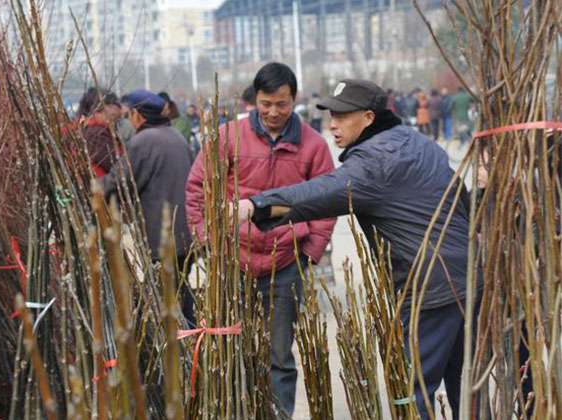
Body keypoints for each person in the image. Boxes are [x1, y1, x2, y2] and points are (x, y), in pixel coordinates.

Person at [235, 79, 474, 420]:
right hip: (468, 279)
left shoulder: (376, 161)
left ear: (367, 117)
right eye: (331, 114)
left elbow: (321, 193)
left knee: (415, 391)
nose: (332, 123)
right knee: (466, 383)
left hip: (429, 287)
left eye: (342, 115)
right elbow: (460, 200)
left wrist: (256, 206)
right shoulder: (416, 142)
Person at [185, 62, 336, 417]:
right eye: (265, 103)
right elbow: (197, 189)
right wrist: (208, 241)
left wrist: (309, 253)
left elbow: (328, 201)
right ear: (255, 100)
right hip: (233, 262)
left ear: (293, 100)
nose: (272, 112)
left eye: (281, 104)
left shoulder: (313, 145)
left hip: (285, 263)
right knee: (230, 346)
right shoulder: (228, 137)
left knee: (279, 356)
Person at [104, 89, 195, 324]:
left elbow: (117, 182)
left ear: (138, 115)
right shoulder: (176, 136)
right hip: (187, 233)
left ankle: (181, 350)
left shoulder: (143, 141)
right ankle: (190, 344)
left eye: (128, 115)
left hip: (162, 235)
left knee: (169, 299)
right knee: (181, 292)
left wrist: (91, 189)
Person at [76, 87, 123, 176]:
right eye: (113, 105)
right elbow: (115, 165)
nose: (118, 109)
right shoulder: (97, 134)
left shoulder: (94, 129)